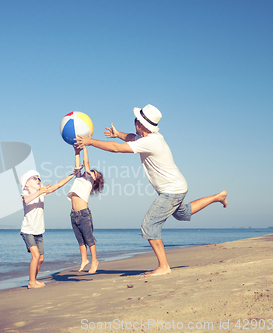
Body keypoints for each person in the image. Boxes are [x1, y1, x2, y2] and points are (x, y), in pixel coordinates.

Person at [76, 104, 227, 277]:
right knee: (183, 214)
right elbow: (132, 138)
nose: (134, 123)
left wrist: (90, 142)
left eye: (136, 121)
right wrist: (118, 134)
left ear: (141, 124)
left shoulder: (149, 142)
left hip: (172, 190)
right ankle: (218, 196)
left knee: (149, 225)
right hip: (177, 187)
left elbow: (117, 148)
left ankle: (164, 266)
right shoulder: (154, 138)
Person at [19, 169, 76, 289]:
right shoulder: (25, 193)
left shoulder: (42, 192)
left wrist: (72, 174)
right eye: (34, 178)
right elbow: (26, 200)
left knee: (41, 258)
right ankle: (31, 282)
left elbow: (59, 185)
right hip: (28, 231)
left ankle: (34, 279)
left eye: (39, 178)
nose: (38, 180)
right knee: (35, 255)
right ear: (26, 183)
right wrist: (40, 192)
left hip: (38, 231)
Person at [67, 146, 104, 274]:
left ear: (94, 178)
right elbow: (78, 165)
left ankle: (94, 261)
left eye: (93, 172)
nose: (89, 171)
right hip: (73, 214)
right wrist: (76, 152)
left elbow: (86, 163)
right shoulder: (79, 178)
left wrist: (84, 146)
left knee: (89, 239)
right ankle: (84, 260)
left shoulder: (88, 180)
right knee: (80, 241)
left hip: (84, 214)